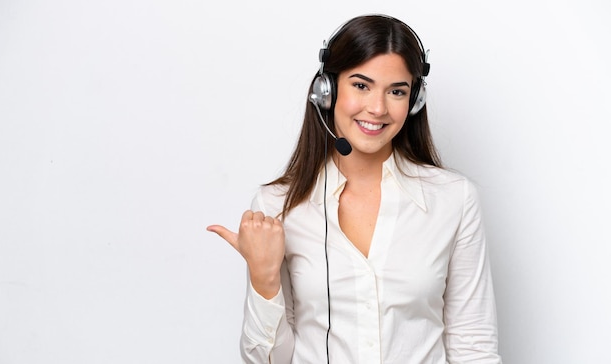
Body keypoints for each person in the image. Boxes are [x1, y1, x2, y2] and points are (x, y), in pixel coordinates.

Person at [207, 14, 501, 363]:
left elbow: (474, 346)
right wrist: (264, 277)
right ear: (326, 91)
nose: (377, 108)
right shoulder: (277, 205)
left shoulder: (454, 199)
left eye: (396, 91)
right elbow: (268, 360)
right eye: (361, 85)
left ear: (415, 100)